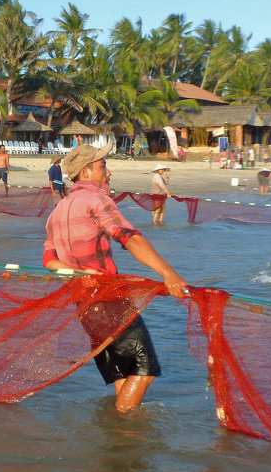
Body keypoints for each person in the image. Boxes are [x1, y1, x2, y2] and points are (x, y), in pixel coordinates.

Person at [42, 143, 189, 413]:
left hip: (85, 308)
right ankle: (126, 436)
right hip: (109, 300)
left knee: (123, 372)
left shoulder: (57, 211)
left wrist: (78, 273)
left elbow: (49, 261)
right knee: (144, 370)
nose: (109, 172)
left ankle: (118, 443)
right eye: (103, 166)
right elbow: (129, 238)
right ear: (85, 172)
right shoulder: (97, 200)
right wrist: (169, 273)